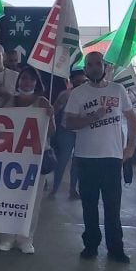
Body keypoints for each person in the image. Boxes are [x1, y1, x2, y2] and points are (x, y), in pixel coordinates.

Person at [64, 51, 136, 263]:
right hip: (86, 157)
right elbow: (68, 122)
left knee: (112, 206)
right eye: (90, 64)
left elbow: (132, 118)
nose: (95, 67)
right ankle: (91, 245)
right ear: (85, 69)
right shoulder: (78, 93)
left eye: (98, 63)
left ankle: (116, 248)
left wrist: (131, 146)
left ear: (104, 67)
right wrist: (91, 118)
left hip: (112, 157)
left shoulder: (118, 89)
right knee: (89, 204)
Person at [0, 66, 54, 254]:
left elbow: (52, 131)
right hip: (11, 158)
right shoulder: (9, 101)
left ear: (36, 82)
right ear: (18, 81)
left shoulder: (41, 102)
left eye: (30, 79)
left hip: (35, 159)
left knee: (33, 199)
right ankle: (7, 237)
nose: (26, 82)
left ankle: (26, 238)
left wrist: (50, 114)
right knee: (8, 197)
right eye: (23, 79)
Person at [49, 69, 85, 199]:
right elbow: (54, 110)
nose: (81, 83)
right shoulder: (66, 94)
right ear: (72, 81)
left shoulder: (88, 94)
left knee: (77, 162)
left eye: (83, 81)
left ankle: (72, 189)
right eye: (78, 81)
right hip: (66, 130)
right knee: (63, 160)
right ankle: (55, 188)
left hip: (82, 130)